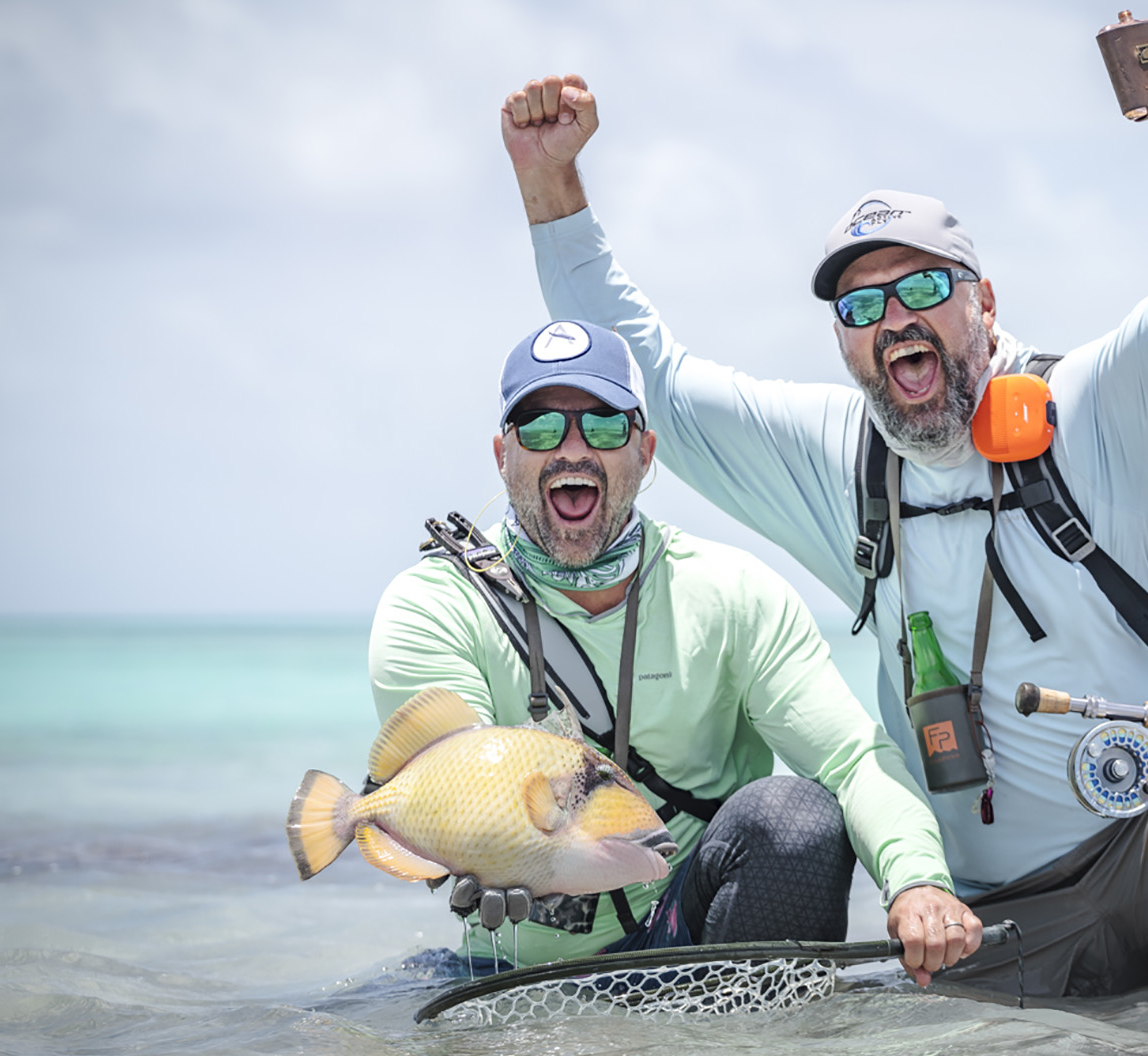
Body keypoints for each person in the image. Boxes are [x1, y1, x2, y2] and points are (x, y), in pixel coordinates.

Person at [497, 26, 1148, 998]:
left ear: (982, 300)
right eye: (859, 307)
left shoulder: (1106, 407)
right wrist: (551, 185)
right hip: (988, 924)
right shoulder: (842, 457)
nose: (892, 319)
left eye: (922, 287)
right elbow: (662, 387)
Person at [368, 319, 981, 983]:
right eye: (541, 428)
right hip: (507, 971)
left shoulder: (732, 593)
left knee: (796, 817)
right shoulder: (433, 603)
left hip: (687, 939)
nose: (573, 450)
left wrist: (920, 881)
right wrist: (473, 851)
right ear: (502, 454)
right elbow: (448, 781)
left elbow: (851, 758)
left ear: (646, 450)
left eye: (604, 426)